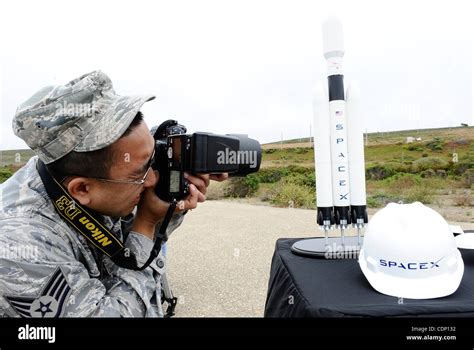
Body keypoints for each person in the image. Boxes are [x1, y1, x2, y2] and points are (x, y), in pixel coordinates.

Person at [0, 71, 227, 317]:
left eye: (154, 158)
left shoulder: (77, 166)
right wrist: (147, 225)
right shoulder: (19, 245)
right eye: (141, 173)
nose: (152, 179)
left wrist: (176, 177)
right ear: (82, 189)